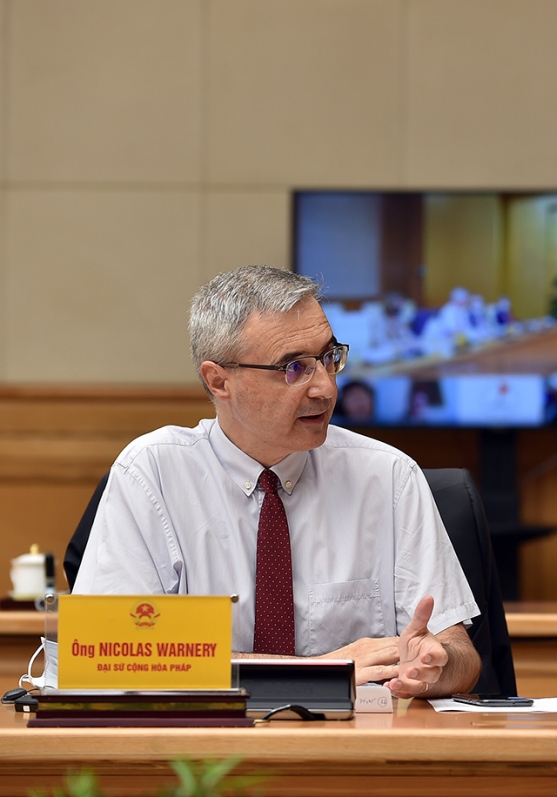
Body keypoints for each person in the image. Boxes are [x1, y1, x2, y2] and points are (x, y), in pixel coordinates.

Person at [73, 266, 482, 699]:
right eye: (294, 368)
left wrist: (437, 663)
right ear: (219, 380)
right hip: (202, 753)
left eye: (329, 359)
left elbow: (462, 655)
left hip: (353, 752)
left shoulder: (389, 476)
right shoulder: (153, 473)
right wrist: (315, 673)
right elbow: (106, 656)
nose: (325, 388)